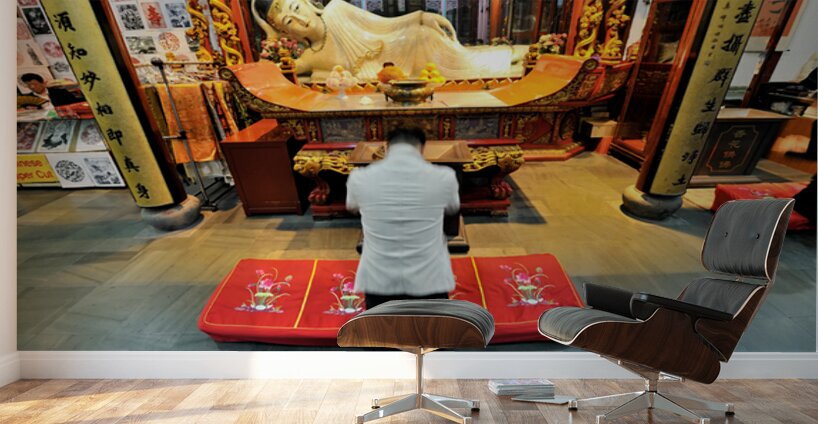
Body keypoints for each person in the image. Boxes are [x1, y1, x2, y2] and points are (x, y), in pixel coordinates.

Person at [251, 0, 525, 80]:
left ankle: (507, 58)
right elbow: (283, 71)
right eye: (289, 22)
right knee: (458, 60)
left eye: (297, 9)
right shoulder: (310, 57)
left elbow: (384, 25)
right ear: (287, 33)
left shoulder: (338, 10)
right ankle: (506, 58)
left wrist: (420, 16)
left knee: (452, 52)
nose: (300, 21)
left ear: (309, 4)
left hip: (405, 43)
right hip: (389, 70)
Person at [346, 127, 460, 309]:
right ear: (422, 148)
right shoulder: (444, 177)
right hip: (429, 279)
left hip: (378, 279)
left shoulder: (359, 177)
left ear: (387, 146)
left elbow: (352, 206)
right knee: (432, 332)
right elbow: (452, 207)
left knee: (383, 333)